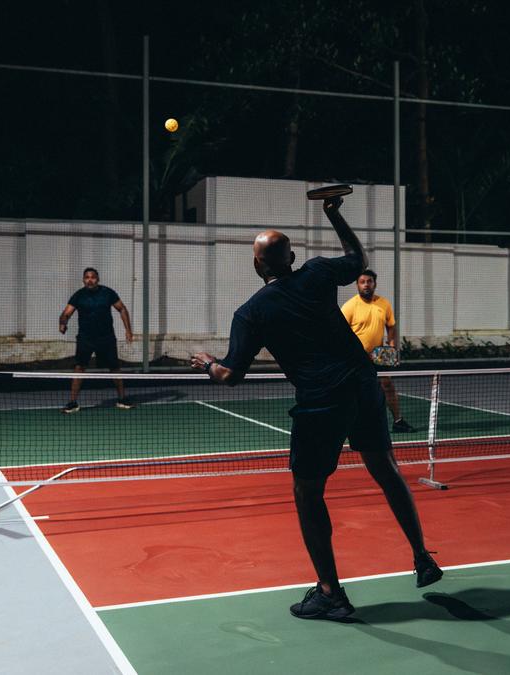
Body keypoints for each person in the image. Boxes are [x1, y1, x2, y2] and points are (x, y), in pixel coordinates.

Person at [189, 195, 441, 621]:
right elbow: (356, 257)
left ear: (258, 266)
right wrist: (333, 212)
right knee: (385, 468)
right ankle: (422, 557)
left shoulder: (251, 313)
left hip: (321, 402)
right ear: (292, 257)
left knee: (307, 492)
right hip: (363, 387)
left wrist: (208, 364)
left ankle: (330, 592)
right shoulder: (318, 273)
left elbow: (232, 375)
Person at [341, 270, 415, 433]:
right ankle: (348, 424)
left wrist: (391, 346)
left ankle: (398, 421)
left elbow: (391, 326)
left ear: (375, 284)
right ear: (357, 285)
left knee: (387, 385)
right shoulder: (349, 306)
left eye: (369, 281)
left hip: (379, 354)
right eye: (362, 282)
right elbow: (340, 332)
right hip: (356, 357)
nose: (366, 285)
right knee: (353, 390)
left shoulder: (384, 304)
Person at [58, 267, 135, 413]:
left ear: (97, 279)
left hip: (106, 338)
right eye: (87, 277)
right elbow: (66, 313)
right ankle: (73, 403)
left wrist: (128, 330)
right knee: (79, 368)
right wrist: (62, 323)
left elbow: (122, 309)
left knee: (114, 368)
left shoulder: (107, 293)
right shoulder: (78, 296)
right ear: (83, 280)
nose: (90, 280)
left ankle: (122, 399)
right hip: (85, 338)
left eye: (93, 277)